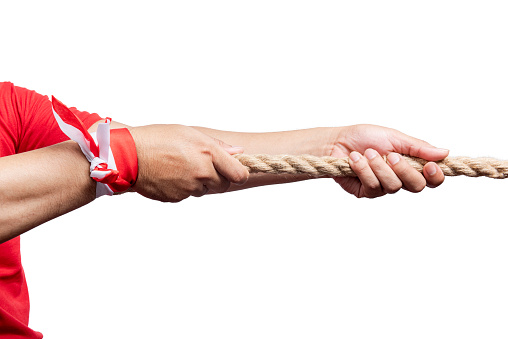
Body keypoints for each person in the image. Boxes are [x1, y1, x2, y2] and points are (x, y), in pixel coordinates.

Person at [0, 82, 447, 338]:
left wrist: (333, 147)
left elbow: (173, 156)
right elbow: (126, 156)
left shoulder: (8, 106)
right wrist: (123, 159)